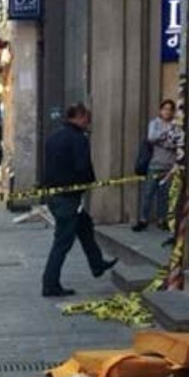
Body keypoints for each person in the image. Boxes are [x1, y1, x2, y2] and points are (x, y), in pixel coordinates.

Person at [41, 103, 118, 298]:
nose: (88, 122)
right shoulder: (78, 139)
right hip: (68, 198)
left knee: (85, 226)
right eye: (87, 118)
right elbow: (82, 166)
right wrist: (88, 183)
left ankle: (97, 264)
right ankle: (50, 284)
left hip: (55, 195)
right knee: (63, 242)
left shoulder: (53, 137)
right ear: (79, 117)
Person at [133, 100, 179, 232]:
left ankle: (162, 220)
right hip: (154, 164)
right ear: (160, 110)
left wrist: (163, 141)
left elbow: (175, 143)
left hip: (169, 166)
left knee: (164, 195)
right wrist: (165, 137)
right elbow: (151, 137)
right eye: (165, 109)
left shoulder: (176, 125)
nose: (167, 111)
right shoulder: (154, 123)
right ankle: (143, 219)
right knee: (148, 192)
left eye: (170, 109)